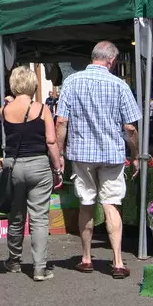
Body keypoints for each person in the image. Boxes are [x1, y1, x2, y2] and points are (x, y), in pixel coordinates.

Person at [56, 41, 140, 278]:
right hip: (112, 154)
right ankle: (118, 261)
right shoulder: (120, 85)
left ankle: (85, 258)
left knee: (86, 203)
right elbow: (130, 128)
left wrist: (60, 153)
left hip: (82, 154)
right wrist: (134, 155)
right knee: (111, 203)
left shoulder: (71, 82)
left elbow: (61, 121)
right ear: (111, 61)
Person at [1, 65, 62, 281]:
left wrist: (9, 101)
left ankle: (14, 261)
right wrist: (57, 167)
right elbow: (51, 141)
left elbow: (5, 117)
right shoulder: (43, 109)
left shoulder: (4, 111)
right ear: (32, 84)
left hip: (13, 166)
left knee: (16, 216)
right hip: (39, 165)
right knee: (39, 218)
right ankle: (39, 268)